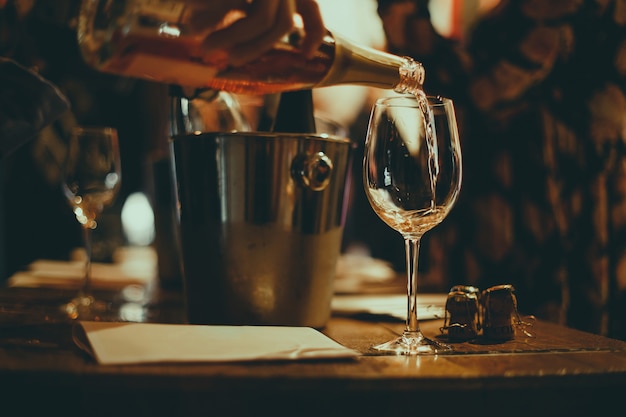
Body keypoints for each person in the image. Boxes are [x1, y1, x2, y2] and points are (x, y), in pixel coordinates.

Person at [374, 0, 626, 340]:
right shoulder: (503, 21)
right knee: (481, 365)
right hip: (491, 229)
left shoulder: (602, 19)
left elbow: (478, 91)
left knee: (581, 362)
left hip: (582, 227)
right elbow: (452, 81)